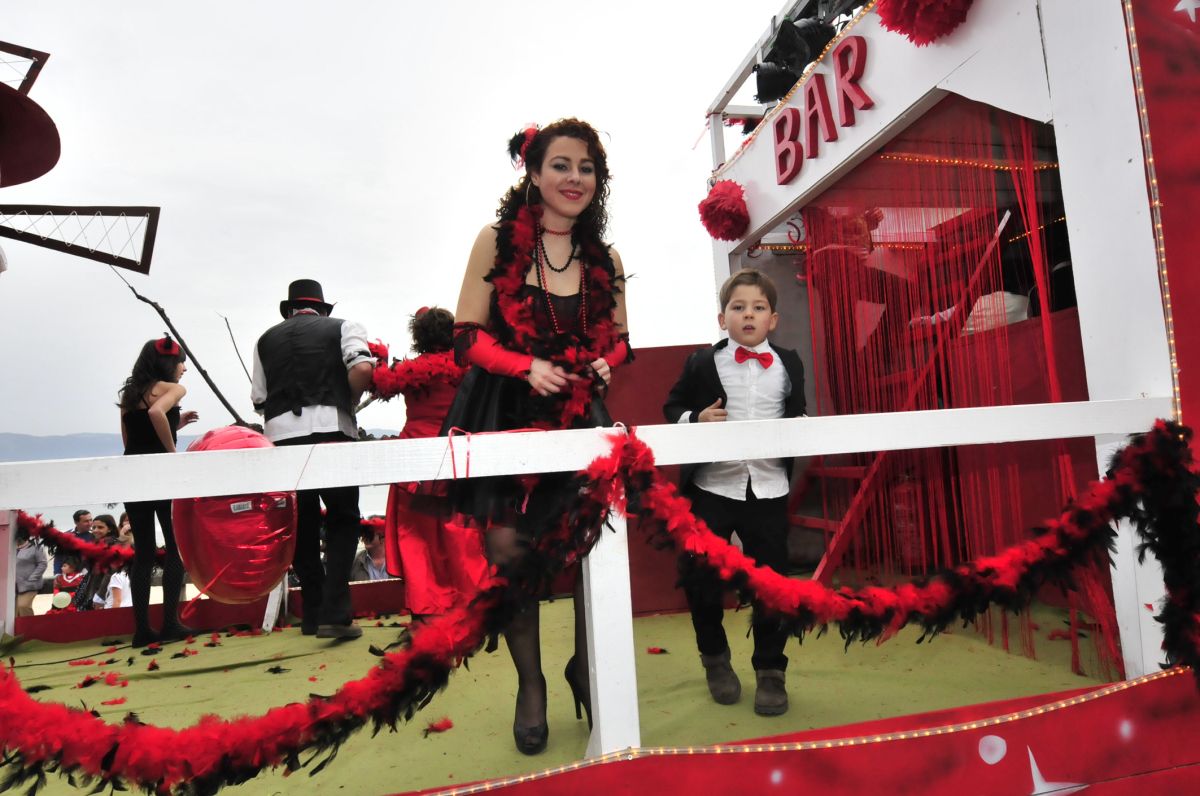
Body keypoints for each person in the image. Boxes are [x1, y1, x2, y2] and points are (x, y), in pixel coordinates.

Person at [443, 119, 631, 754]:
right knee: (510, 553)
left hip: (579, 415)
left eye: (586, 167)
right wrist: (525, 365)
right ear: (533, 172)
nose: (575, 178)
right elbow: (467, 333)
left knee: (584, 548)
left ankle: (587, 661)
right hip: (504, 407)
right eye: (562, 165)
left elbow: (620, 338)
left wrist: (608, 360)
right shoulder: (495, 241)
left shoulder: (606, 258)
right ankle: (532, 684)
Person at [663, 268, 807, 717]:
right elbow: (672, 407)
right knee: (700, 577)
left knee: (774, 583)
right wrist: (694, 419)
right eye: (738, 307)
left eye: (758, 308)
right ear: (722, 319)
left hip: (768, 487)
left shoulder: (789, 362)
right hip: (713, 486)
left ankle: (771, 670)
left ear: (773, 319)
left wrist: (801, 430)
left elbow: (799, 413)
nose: (749, 314)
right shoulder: (701, 362)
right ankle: (715, 660)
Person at [251, 278, 375, 640]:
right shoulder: (344, 327)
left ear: (289, 310)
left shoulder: (265, 339)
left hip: (281, 438)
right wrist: (348, 402)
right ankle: (336, 611)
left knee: (300, 524)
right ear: (322, 309)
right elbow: (363, 370)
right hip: (332, 427)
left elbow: (259, 399)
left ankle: (313, 613)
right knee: (343, 519)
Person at [375, 307, 487, 616]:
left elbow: (380, 384)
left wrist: (379, 360)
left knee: (419, 538)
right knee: (461, 532)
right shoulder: (469, 369)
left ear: (419, 336)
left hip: (414, 459)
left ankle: (426, 604)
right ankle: (470, 599)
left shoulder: (410, 371)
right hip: (458, 455)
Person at [119, 336, 199, 647]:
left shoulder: (130, 393)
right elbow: (154, 416)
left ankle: (142, 630)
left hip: (133, 473)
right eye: (182, 363)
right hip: (162, 474)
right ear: (169, 363)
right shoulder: (174, 389)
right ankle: (170, 624)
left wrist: (175, 424)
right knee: (175, 545)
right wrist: (171, 451)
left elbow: (131, 439)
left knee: (144, 552)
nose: (184, 369)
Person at [14, 526, 47, 617]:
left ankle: (29, 627)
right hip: (13, 585)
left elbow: (42, 564)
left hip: (29, 584)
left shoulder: (36, 547)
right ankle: (15, 630)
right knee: (13, 611)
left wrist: (32, 578)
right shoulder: (11, 548)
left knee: (23, 606)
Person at [53, 510, 93, 574]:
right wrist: (57, 573)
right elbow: (59, 557)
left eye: (91, 520)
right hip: (68, 574)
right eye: (86, 521)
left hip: (88, 575)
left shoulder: (95, 536)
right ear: (76, 522)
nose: (90, 523)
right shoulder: (66, 536)